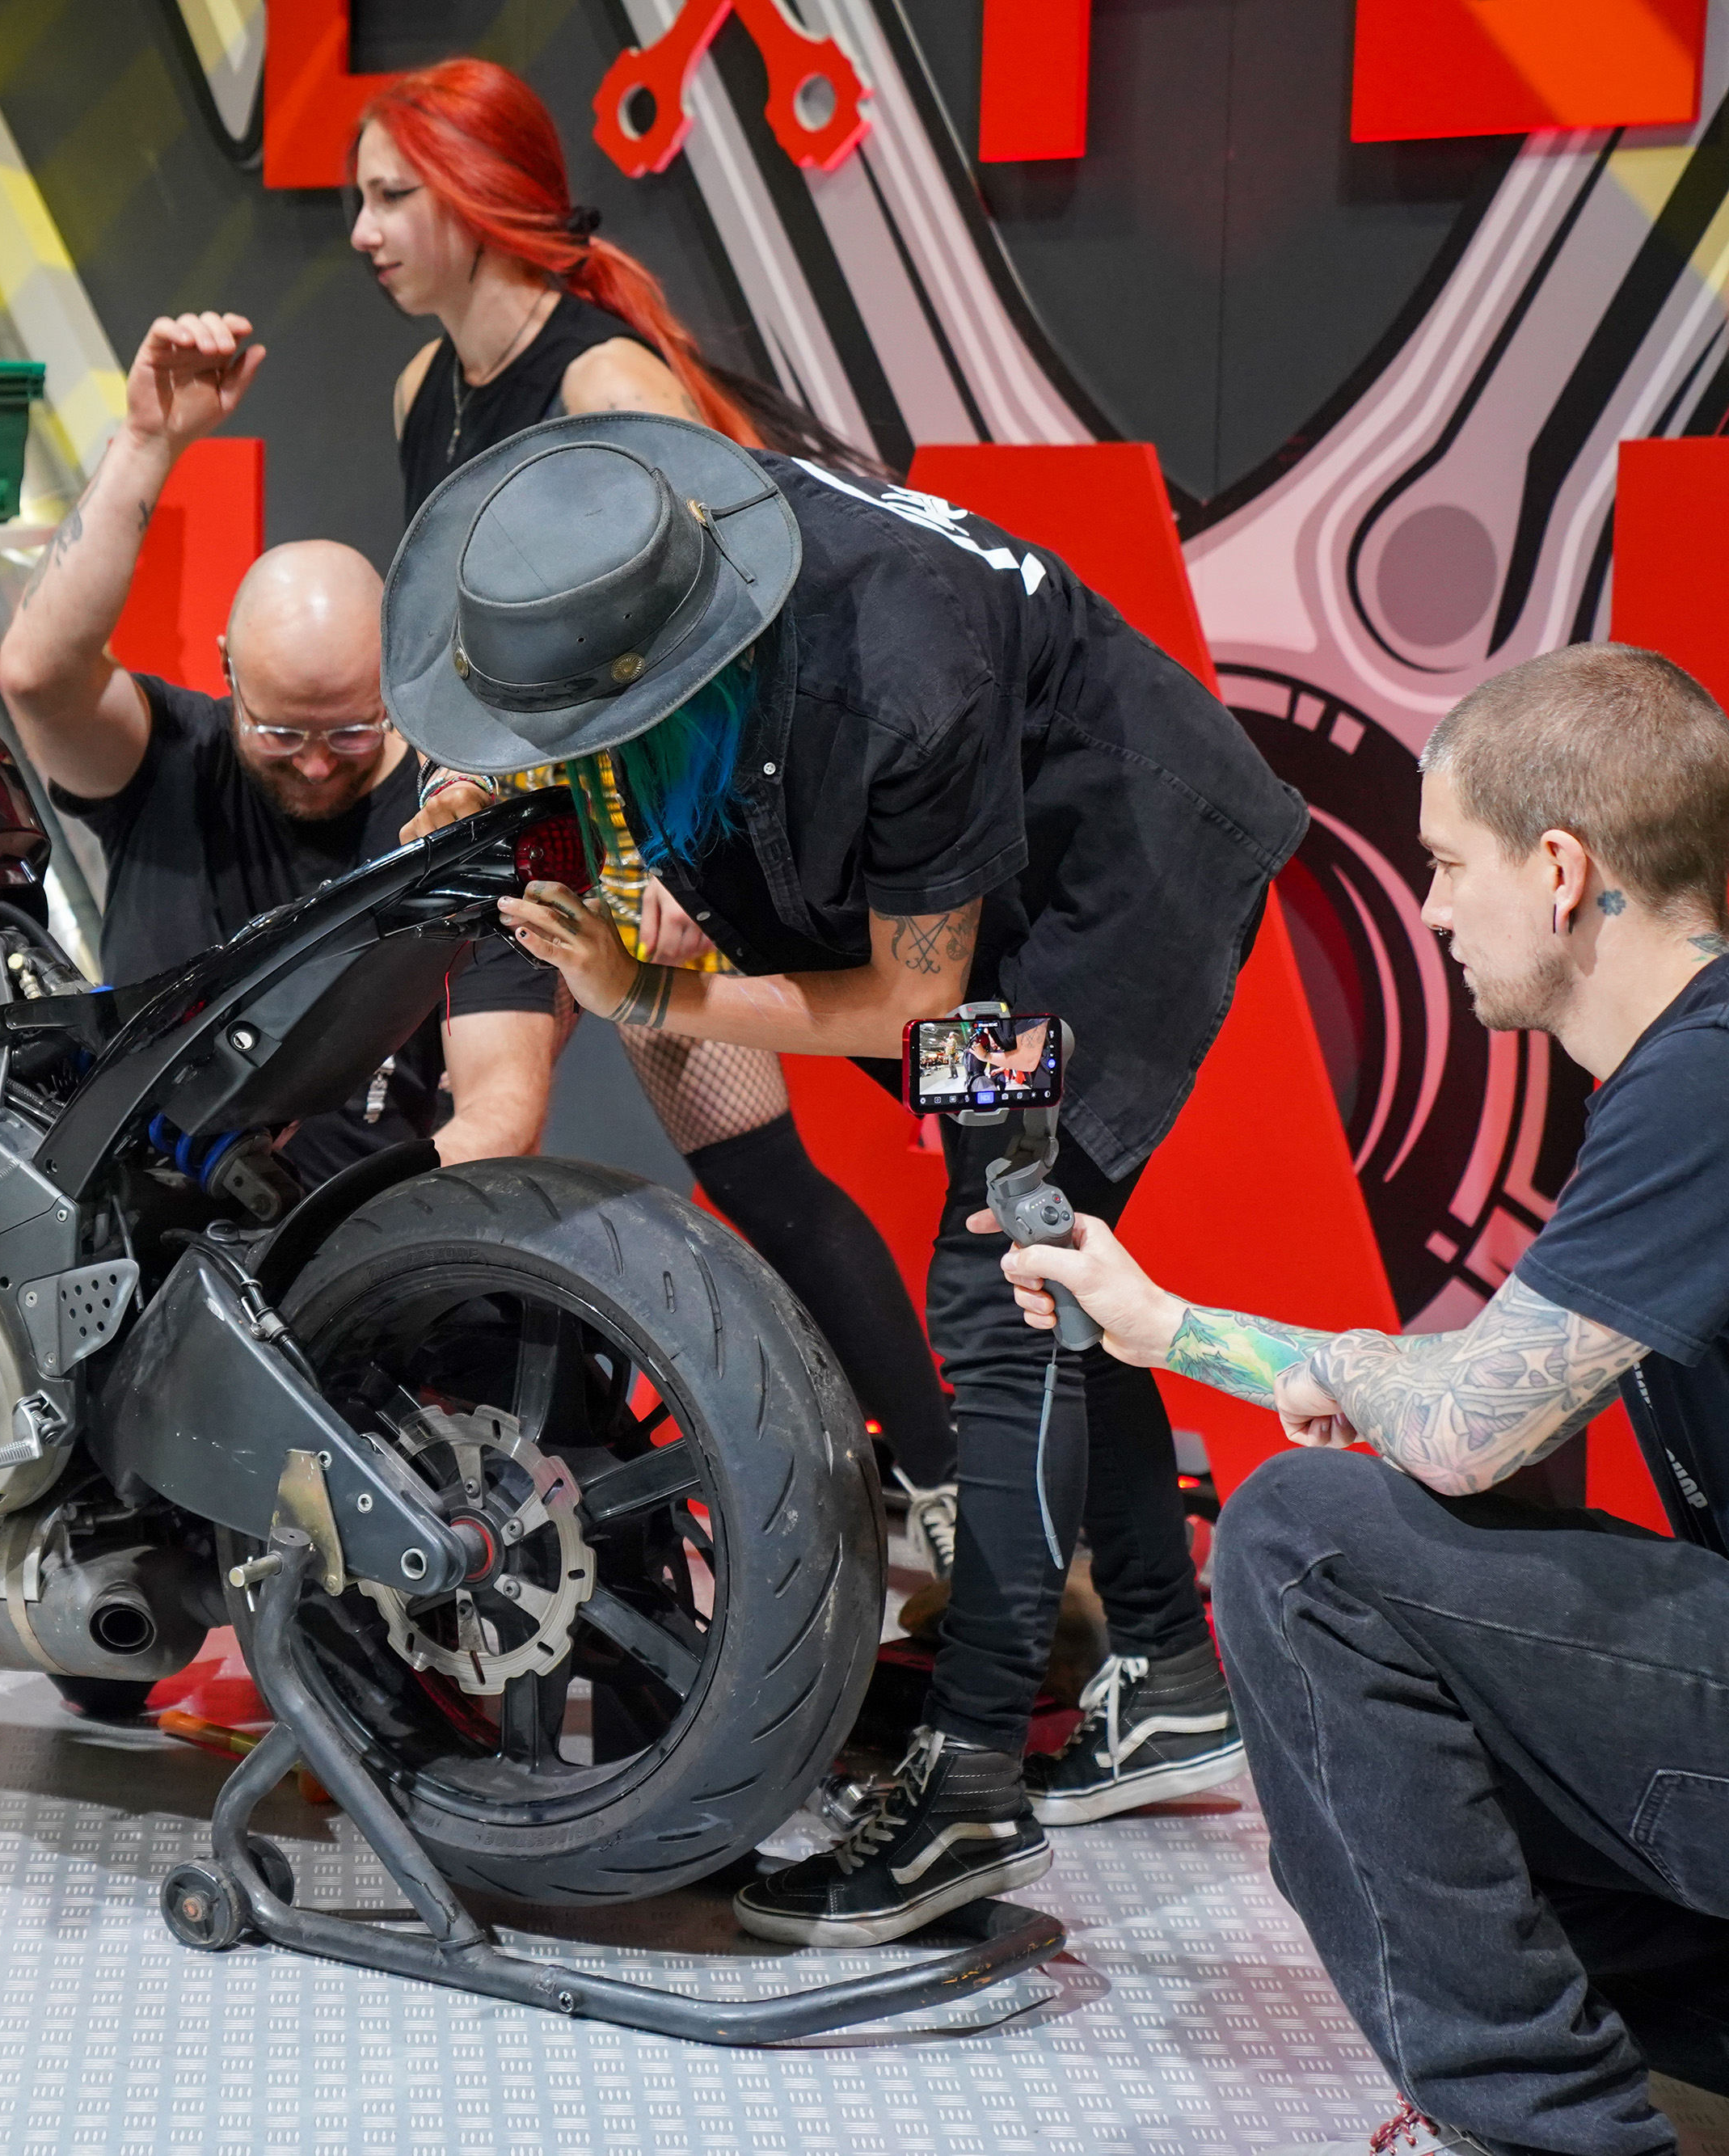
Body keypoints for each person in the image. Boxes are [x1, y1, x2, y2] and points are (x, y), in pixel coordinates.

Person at [395, 408, 1308, 1945]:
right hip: (990, 877)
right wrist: (497, 787)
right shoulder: (647, 530)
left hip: (1102, 892)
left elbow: (911, 1002)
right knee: (1061, 1255)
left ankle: (969, 1787)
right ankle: (1166, 1668)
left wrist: (649, 992)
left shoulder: (900, 675)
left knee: (1010, 1278)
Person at [993, 643, 1729, 2156]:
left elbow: (1461, 1419)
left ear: (1562, 871)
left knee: (1303, 1541)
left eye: (1448, 863)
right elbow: (1491, 1400)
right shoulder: (1684, 1071)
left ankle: (1548, 2132)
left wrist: (1351, 1377)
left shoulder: (1704, 1083)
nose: (1433, 909)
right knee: (1399, 1706)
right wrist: (1165, 1325)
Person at [351, 57, 960, 1559]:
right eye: (360, 198)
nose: (362, 232)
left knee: (765, 1174)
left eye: (390, 196)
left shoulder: (606, 381)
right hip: (515, 831)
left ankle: (952, 1505)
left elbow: (741, 644)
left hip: (648, 831)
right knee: (480, 1127)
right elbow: (463, 650)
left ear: (476, 201)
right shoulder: (421, 388)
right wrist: (448, 769)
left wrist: (696, 856)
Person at [0, 310, 555, 1183]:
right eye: (281, 733)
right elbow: (37, 674)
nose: (318, 763)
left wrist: (331, 1226)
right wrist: (146, 441)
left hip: (350, 1235)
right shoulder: (168, 761)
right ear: (227, 671)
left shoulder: (454, 831)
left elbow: (501, 1115)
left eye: (353, 731)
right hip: (129, 1220)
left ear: (397, 679)